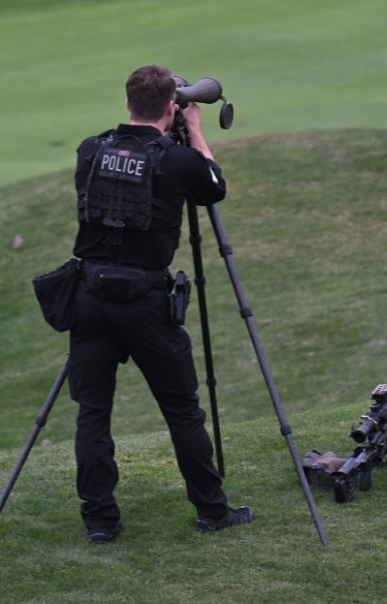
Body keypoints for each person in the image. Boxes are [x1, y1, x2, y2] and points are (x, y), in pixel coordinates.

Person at [68, 64, 254, 544]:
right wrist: (193, 131)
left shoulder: (91, 149)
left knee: (92, 413)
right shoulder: (175, 159)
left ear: (129, 103)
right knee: (182, 410)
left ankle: (100, 523)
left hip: (87, 296)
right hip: (144, 301)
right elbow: (213, 186)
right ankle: (213, 510)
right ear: (172, 106)